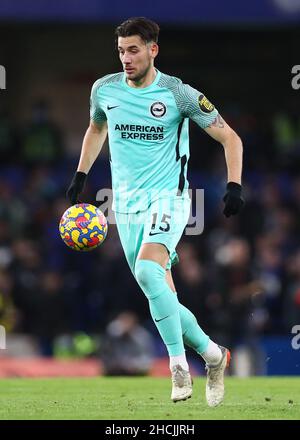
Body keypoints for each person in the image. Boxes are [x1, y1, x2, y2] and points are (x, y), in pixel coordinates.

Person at [66, 17, 244, 406]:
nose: (126, 58)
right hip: (125, 208)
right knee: (159, 292)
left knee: (148, 271)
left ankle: (177, 367)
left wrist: (234, 185)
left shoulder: (179, 94)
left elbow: (230, 137)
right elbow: (96, 129)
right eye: (121, 51)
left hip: (170, 199)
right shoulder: (104, 90)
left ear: (152, 50)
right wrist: (81, 174)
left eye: (133, 50)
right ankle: (215, 356)